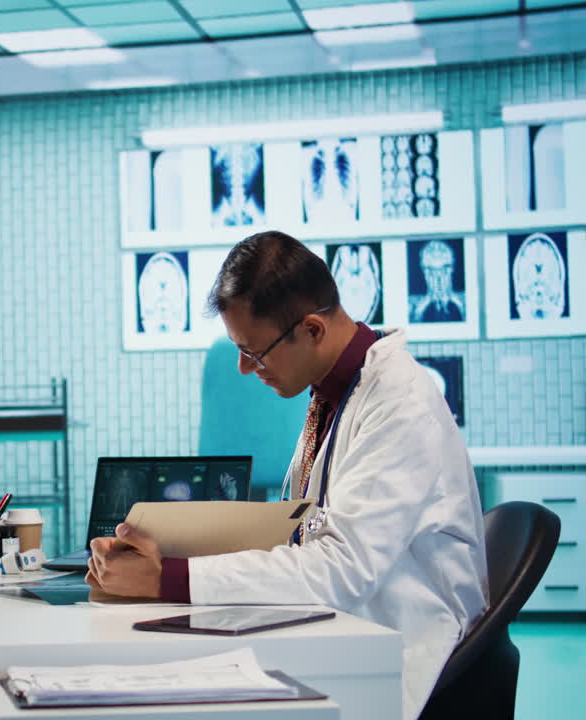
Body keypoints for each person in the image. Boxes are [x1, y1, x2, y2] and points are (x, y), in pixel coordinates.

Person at [87, 231, 488, 720]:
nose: (243, 368)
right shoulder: (337, 393)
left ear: (312, 330)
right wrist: (168, 551)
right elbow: (302, 532)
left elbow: (341, 569)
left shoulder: (399, 405)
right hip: (343, 627)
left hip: (399, 645)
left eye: (254, 352)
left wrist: (169, 578)